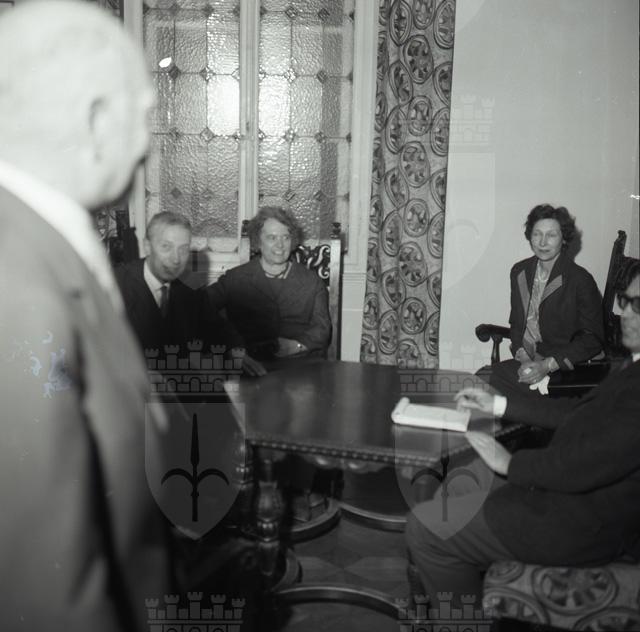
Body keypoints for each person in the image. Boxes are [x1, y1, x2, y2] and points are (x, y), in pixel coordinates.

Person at [0, 2, 171, 630]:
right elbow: (46, 599)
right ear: (97, 119)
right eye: (144, 115)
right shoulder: (17, 286)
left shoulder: (40, 239)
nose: (147, 143)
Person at [405, 259, 640, 615]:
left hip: (582, 522)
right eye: (626, 301)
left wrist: (510, 463)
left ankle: (463, 617)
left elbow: (586, 464)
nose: (626, 314)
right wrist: (498, 404)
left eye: (639, 305)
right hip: (569, 495)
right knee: (462, 478)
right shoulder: (633, 367)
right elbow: (577, 413)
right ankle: (458, 584)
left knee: (425, 529)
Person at [484, 204, 603, 395]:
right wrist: (525, 360)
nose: (542, 242)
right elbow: (517, 324)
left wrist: (546, 365)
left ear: (564, 238)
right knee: (482, 381)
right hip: (531, 360)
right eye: (537, 234)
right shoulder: (520, 271)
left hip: (567, 368)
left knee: (508, 399)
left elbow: (593, 340)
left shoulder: (581, 280)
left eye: (551, 235)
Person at [207, 206, 331, 376]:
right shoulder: (236, 278)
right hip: (249, 367)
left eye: (285, 237)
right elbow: (200, 310)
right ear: (258, 242)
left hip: (300, 366)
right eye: (272, 238)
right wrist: (232, 349)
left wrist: (297, 346)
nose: (280, 245)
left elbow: (322, 329)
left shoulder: (311, 281)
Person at [115, 211, 230, 359]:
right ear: (147, 246)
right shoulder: (115, 286)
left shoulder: (190, 287)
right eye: (166, 247)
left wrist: (235, 351)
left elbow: (218, 331)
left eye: (183, 249)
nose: (176, 259)